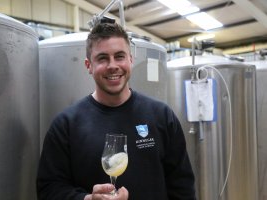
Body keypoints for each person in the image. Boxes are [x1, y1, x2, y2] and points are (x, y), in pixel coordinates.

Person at [36, 22, 196, 200]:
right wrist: (87, 199)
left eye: (119, 56)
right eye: (102, 58)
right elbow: (49, 189)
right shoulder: (66, 125)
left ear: (131, 60)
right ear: (89, 65)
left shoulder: (162, 116)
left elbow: (182, 187)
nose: (112, 65)